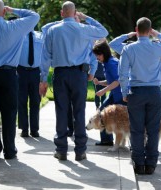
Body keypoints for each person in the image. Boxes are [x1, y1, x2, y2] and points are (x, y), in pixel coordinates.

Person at [40, 1, 108, 161]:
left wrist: (43, 79)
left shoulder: (52, 30)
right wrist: (86, 18)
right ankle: (80, 151)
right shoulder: (83, 29)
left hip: (61, 73)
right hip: (79, 75)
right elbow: (103, 31)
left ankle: (61, 150)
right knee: (79, 111)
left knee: (61, 111)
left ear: (62, 13)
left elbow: (45, 57)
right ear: (75, 13)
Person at [119, 17, 161, 175]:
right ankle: (151, 163)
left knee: (137, 129)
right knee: (153, 129)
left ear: (136, 30)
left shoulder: (128, 49)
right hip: (154, 91)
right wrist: (157, 34)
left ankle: (139, 163)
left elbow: (123, 73)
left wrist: (124, 92)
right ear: (150, 30)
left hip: (136, 91)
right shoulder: (157, 47)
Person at [0, 0, 39, 159]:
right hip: (9, 75)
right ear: (4, 13)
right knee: (10, 113)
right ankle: (10, 151)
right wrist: (13, 10)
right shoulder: (15, 27)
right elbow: (34, 16)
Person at [92, 39, 126, 146]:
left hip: (121, 94)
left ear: (104, 53)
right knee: (102, 112)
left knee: (124, 119)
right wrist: (100, 83)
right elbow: (111, 81)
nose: (97, 58)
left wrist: (103, 91)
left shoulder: (111, 63)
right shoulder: (106, 63)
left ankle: (132, 142)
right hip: (114, 94)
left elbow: (117, 81)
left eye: (98, 55)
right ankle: (106, 139)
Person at [18, 31, 43, 138]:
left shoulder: (40, 35)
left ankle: (34, 129)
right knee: (21, 101)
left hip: (36, 72)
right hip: (21, 71)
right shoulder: (18, 35)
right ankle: (24, 128)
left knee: (35, 101)